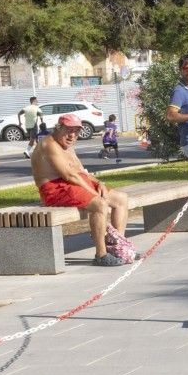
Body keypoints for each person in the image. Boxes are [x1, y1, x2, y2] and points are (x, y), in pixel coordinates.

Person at [31, 113, 135, 267]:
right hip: (55, 189)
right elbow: (69, 175)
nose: (73, 135)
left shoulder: (68, 145)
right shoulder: (49, 144)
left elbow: (80, 171)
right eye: (69, 130)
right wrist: (96, 194)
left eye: (76, 131)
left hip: (74, 182)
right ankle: (101, 254)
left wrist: (99, 182)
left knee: (121, 199)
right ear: (58, 128)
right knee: (100, 204)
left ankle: (118, 248)